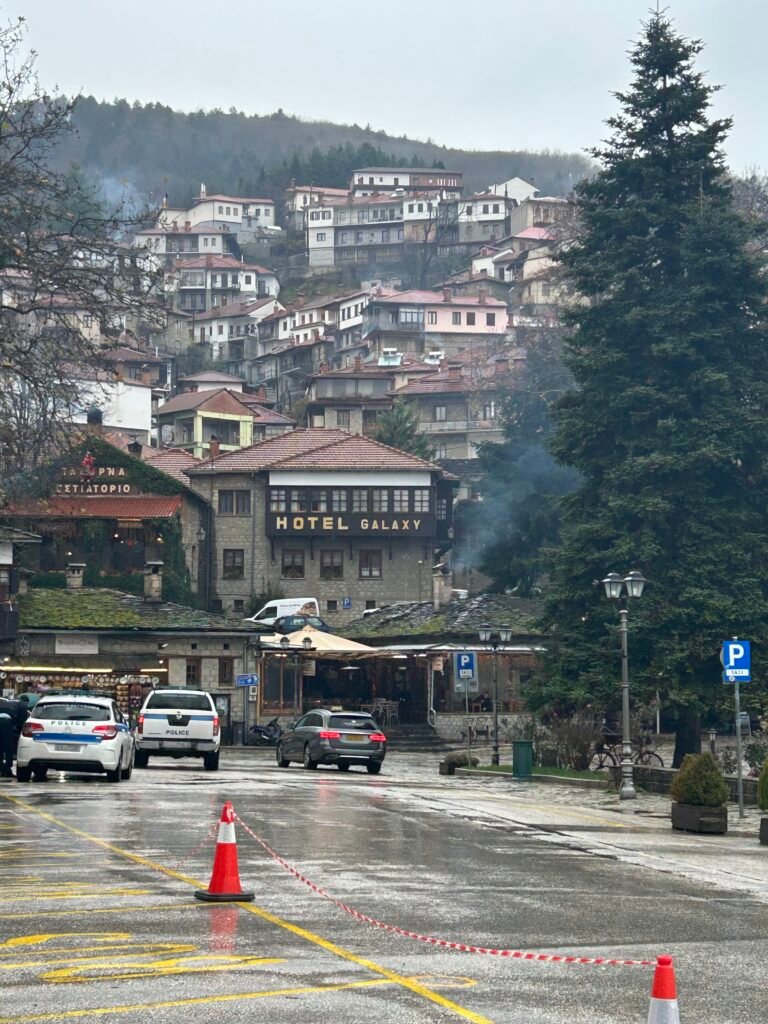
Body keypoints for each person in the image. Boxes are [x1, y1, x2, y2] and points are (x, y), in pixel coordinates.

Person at [0, 697, 28, 778]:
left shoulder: (6, 701)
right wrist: (19, 731)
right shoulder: (22, 705)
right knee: (9, 746)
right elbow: (22, 721)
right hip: (6, 721)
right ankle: (7, 767)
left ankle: (3, 768)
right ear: (26, 702)